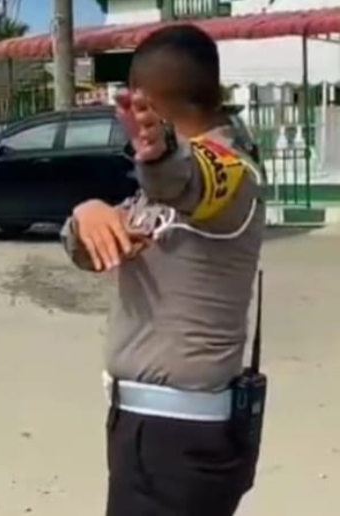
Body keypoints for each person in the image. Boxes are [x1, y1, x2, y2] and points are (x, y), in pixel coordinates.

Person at [61, 25, 265, 516]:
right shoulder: (163, 188)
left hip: (178, 440)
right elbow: (93, 246)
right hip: (150, 434)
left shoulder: (230, 171)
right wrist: (87, 214)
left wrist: (160, 154)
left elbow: (188, 175)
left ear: (145, 100)